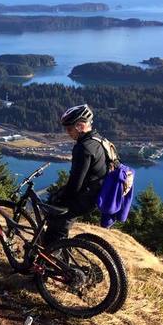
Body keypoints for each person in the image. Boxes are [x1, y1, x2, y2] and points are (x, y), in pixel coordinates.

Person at [42, 104, 107, 246]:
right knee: (58, 222)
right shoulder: (99, 140)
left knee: (54, 231)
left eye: (69, 128)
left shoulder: (83, 148)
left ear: (80, 126)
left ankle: (52, 263)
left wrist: (59, 198)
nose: (67, 132)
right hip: (96, 195)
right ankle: (63, 250)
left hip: (85, 198)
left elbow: (75, 184)